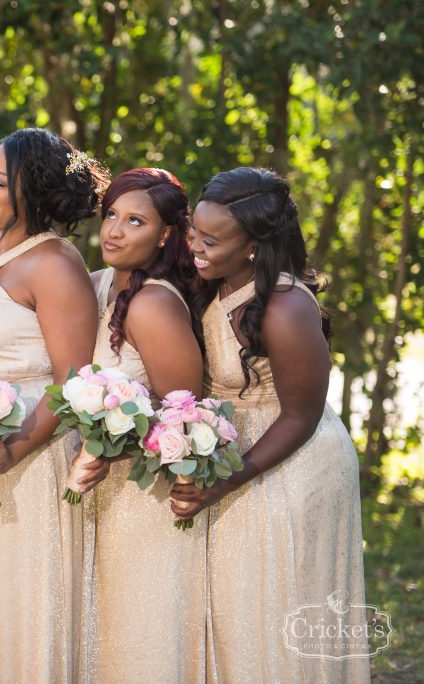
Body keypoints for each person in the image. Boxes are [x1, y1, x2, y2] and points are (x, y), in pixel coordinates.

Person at [178, 167, 369, 682]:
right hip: (238, 456)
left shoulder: (285, 307)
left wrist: (225, 479)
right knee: (238, 610)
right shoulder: (216, 284)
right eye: (195, 230)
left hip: (290, 461)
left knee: (278, 606)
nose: (195, 246)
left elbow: (302, 416)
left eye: (211, 241)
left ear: (253, 249)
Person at [0, 128, 105, 682]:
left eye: (1, 182)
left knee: (19, 612)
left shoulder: (55, 264)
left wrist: (16, 447)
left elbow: (75, 380)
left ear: (34, 190)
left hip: (29, 461)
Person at [83, 168, 205, 682]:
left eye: (135, 221)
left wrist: (111, 441)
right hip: (99, 491)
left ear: (164, 235)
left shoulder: (153, 302)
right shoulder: (96, 285)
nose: (114, 230)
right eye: (111, 214)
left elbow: (183, 414)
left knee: (141, 632)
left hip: (142, 495)